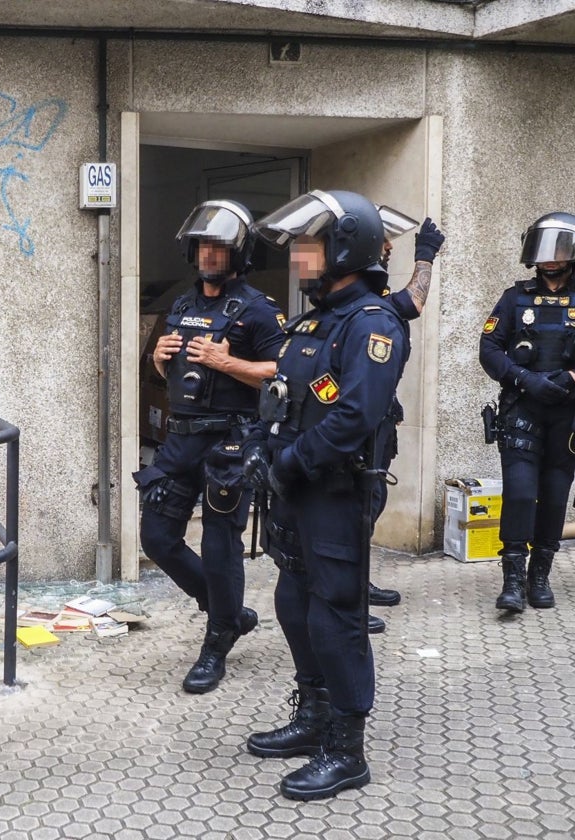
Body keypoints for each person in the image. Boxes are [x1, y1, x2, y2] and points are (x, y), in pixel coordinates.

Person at [241, 190, 408, 800]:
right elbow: (281, 397)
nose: (300, 261)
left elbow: (357, 414)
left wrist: (289, 461)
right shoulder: (312, 322)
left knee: (335, 617)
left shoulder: (372, 323)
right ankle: (312, 717)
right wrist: (262, 447)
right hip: (296, 491)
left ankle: (347, 749)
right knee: (293, 602)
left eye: (310, 249)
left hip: (334, 493)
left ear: (346, 249)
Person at [134, 200, 286, 694]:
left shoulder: (260, 311)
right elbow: (169, 371)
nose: (208, 254)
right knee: (157, 537)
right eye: (202, 245)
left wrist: (228, 364)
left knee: (221, 546)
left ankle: (216, 640)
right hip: (181, 439)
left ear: (237, 254)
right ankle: (229, 612)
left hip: (230, 443)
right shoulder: (182, 305)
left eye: (218, 247)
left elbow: (284, 372)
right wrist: (158, 358)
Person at [479, 212, 575, 612]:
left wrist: (571, 376)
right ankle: (513, 580)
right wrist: (524, 379)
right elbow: (489, 350)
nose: (550, 260)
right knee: (520, 494)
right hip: (523, 408)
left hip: (568, 414)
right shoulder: (513, 297)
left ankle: (540, 575)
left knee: (554, 497)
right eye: (543, 252)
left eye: (558, 251)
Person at [358, 207, 447, 634]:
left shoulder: (369, 291)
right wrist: (425, 256)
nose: (390, 247)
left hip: (378, 425)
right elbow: (413, 301)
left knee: (369, 505)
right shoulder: (363, 298)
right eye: (383, 240)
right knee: (358, 510)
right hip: (361, 427)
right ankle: (348, 598)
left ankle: (356, 584)